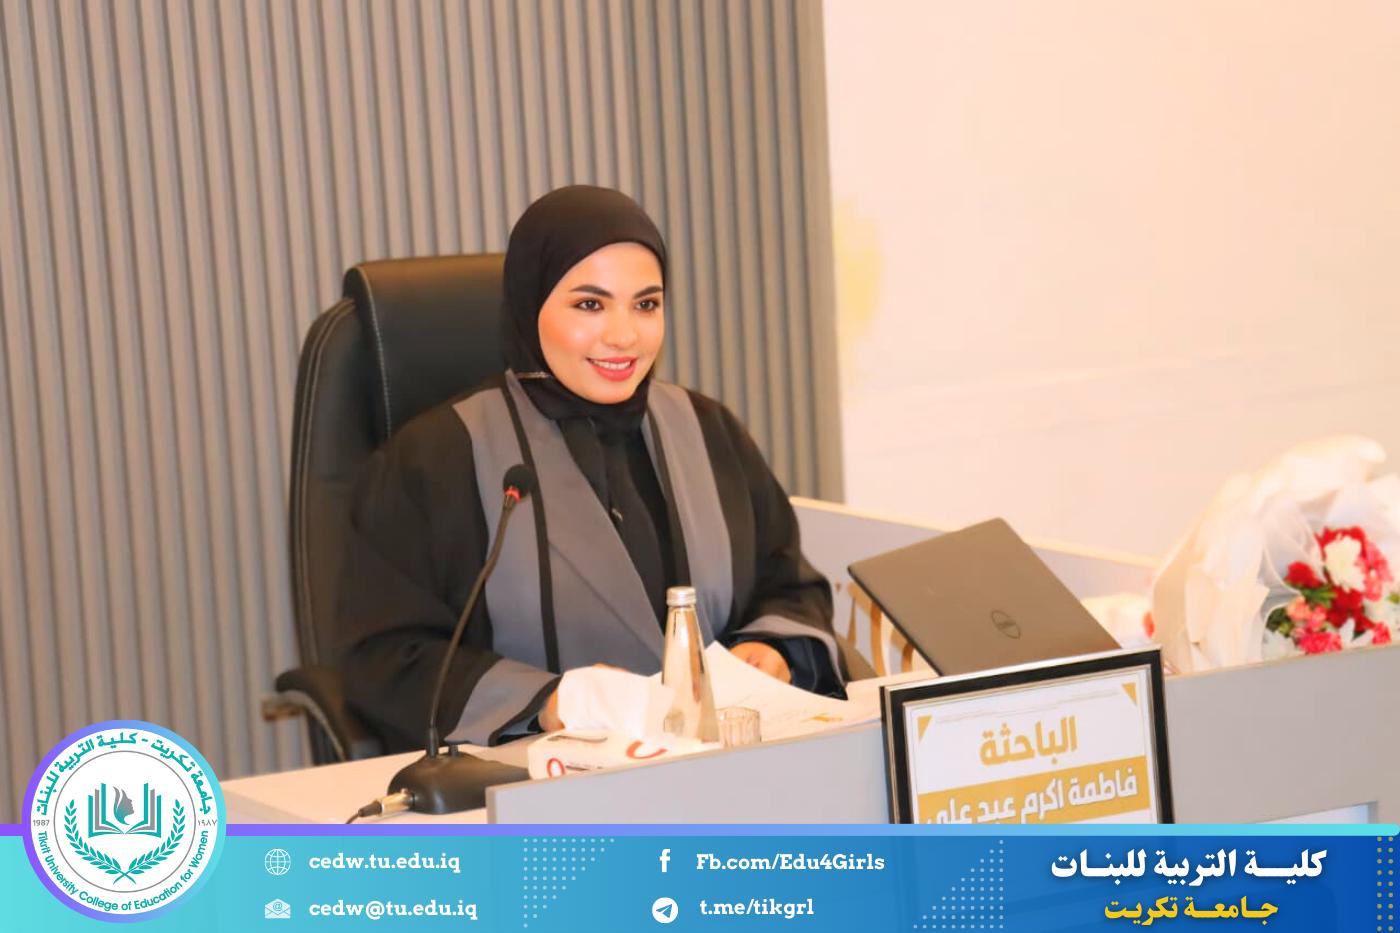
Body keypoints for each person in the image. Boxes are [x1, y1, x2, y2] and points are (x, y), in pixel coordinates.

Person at [338, 185, 845, 752]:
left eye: (646, 305)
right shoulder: (435, 460)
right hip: (530, 785)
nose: (623, 335)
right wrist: (550, 701)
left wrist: (773, 650)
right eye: (589, 305)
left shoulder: (709, 431)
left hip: (725, 770)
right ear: (531, 305)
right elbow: (386, 658)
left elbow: (788, 586)